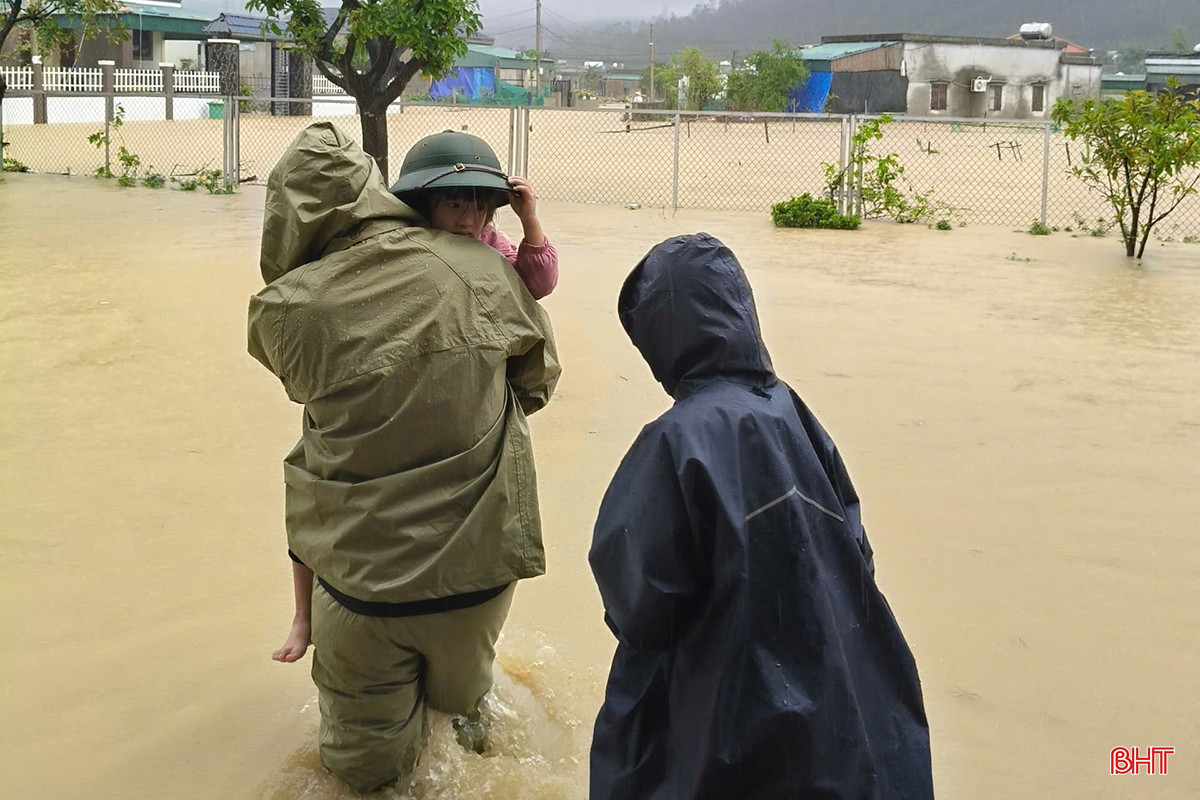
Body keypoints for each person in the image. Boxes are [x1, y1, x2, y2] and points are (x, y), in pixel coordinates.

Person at [248, 121, 559, 794]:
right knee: (471, 723)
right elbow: (536, 383)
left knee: (364, 776)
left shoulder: (285, 308)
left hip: (363, 590)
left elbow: (304, 386)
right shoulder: (484, 271)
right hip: (479, 575)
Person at [588, 234, 933, 799]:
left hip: (732, 719)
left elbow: (642, 603)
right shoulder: (791, 411)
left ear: (659, 335)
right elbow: (856, 548)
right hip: (843, 697)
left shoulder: (676, 440)